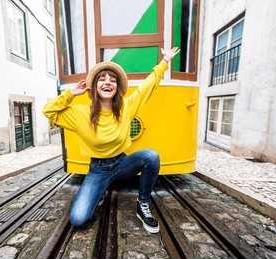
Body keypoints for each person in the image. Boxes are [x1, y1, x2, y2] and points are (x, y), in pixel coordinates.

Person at [43, 47, 180, 233]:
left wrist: (165, 62)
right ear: (95, 86)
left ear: (116, 88)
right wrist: (71, 94)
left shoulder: (127, 107)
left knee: (151, 156)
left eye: (112, 80)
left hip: (122, 163)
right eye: (102, 79)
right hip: (98, 170)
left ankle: (143, 204)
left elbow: (148, 87)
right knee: (77, 218)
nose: (108, 82)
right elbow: (49, 111)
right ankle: (99, 190)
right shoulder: (80, 114)